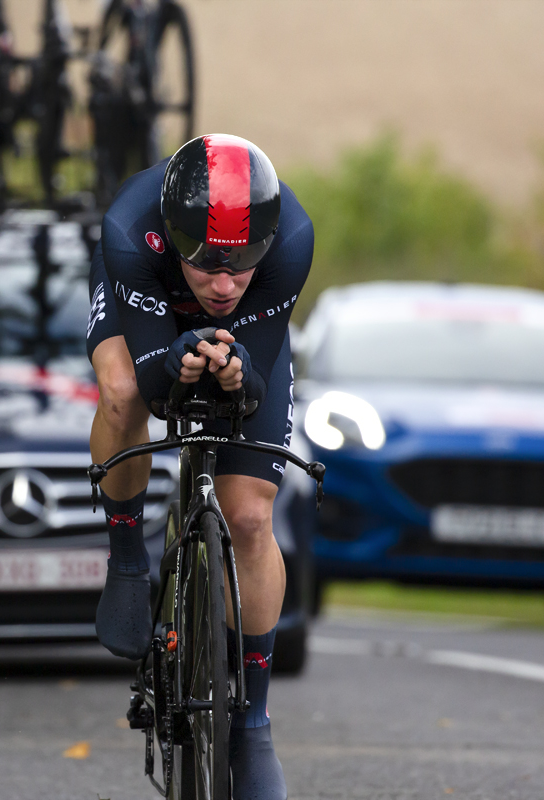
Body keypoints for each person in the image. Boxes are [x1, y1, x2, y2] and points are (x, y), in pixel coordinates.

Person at [86, 133, 313, 800]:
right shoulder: (132, 230)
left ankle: (254, 723)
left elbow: (255, 389)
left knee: (247, 514)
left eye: (241, 267)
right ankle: (129, 554)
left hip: (244, 341)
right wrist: (175, 362)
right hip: (145, 307)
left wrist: (237, 370)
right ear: (176, 240)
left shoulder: (290, 237)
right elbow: (158, 389)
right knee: (125, 391)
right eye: (208, 266)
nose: (222, 285)